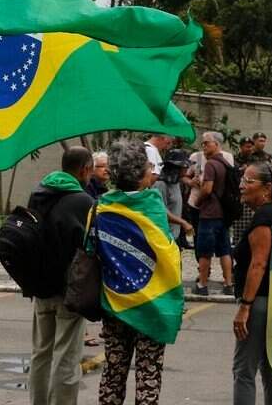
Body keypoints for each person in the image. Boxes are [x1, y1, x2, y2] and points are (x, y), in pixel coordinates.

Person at [96, 140, 182, 404]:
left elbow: (92, 249)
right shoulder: (153, 206)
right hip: (152, 305)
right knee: (148, 373)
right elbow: (168, 252)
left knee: (113, 371)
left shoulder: (101, 208)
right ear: (141, 173)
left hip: (115, 304)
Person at [27, 146, 94, 405]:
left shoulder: (39, 194)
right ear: (85, 170)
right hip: (69, 289)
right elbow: (90, 245)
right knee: (66, 356)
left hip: (40, 286)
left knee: (41, 353)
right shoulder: (83, 201)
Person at [232, 162, 272, 405]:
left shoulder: (265, 217)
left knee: (244, 370)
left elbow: (258, 263)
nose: (242, 186)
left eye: (248, 181)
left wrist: (245, 306)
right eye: (242, 180)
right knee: (271, 370)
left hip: (259, 303)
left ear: (267, 188)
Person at [192, 131, 234, 296]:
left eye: (207, 143)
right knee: (224, 250)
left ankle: (202, 284)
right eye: (202, 143)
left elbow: (207, 189)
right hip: (223, 213)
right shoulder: (225, 163)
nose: (204, 146)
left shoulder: (210, 164)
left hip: (209, 213)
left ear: (216, 144)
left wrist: (198, 201)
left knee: (204, 251)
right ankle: (228, 283)